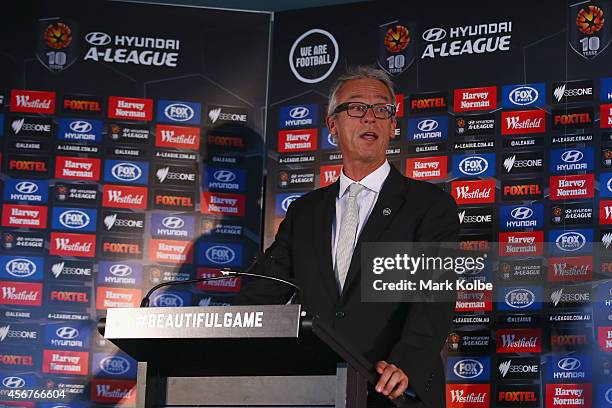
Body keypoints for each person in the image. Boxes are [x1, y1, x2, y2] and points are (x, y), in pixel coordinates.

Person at [236, 66, 459, 407]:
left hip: (394, 390)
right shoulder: (305, 212)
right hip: (318, 389)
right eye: (356, 108)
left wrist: (405, 364)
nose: (370, 118)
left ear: (393, 125)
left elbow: (434, 300)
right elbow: (263, 292)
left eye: (382, 109)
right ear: (332, 126)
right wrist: (210, 330)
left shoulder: (429, 206)